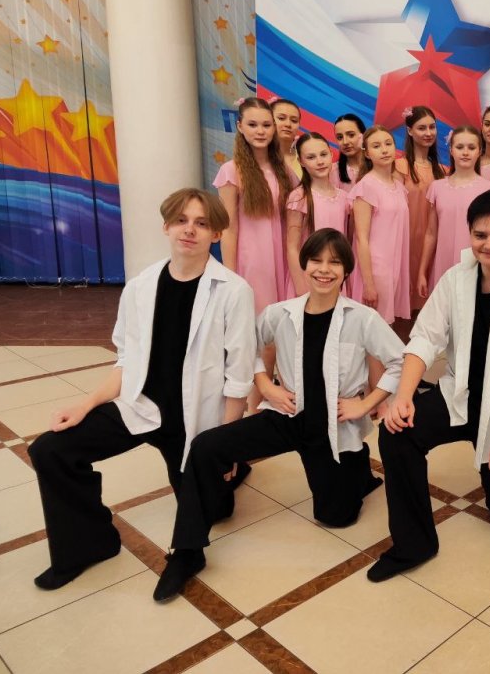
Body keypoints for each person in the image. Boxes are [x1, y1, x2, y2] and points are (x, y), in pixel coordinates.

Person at [153, 228, 403, 600]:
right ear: (303, 264)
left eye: (334, 262)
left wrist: (366, 404)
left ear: (346, 271)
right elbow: (246, 346)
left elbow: (401, 361)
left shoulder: (362, 318)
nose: (324, 269)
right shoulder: (280, 313)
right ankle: (187, 552)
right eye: (316, 260)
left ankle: (357, 470)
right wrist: (266, 386)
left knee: (336, 518)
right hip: (287, 415)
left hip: (331, 426)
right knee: (205, 446)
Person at [27, 188, 256, 590]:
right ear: (166, 226)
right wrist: (86, 404)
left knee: (216, 512)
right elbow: (126, 360)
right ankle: (90, 545)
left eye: (202, 223)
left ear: (216, 234)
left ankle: (191, 548)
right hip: (142, 407)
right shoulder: (140, 286)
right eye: (181, 220)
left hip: (197, 421)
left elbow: (238, 378)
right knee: (49, 450)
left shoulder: (233, 291)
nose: (190, 230)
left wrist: (225, 446)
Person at [367, 190, 490, 582]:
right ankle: (414, 544)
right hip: (460, 396)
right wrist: (403, 397)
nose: (489, 244)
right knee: (397, 433)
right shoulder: (457, 278)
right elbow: (425, 337)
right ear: (470, 234)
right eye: (480, 235)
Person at [215, 97, 298, 315]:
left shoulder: (284, 172)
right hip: (252, 259)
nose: (260, 131)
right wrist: (229, 275)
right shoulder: (231, 171)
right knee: (257, 317)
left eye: (266, 125)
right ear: (240, 126)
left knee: (283, 318)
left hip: (283, 257)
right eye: (252, 125)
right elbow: (228, 228)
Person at [416, 125, 490, 298]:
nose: (465, 152)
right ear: (451, 150)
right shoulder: (437, 187)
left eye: (471, 147)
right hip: (443, 264)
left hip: (476, 265)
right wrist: (422, 271)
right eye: (460, 147)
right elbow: (431, 233)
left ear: (479, 151)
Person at [348, 125, 411, 325]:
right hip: (376, 268)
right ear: (367, 153)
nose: (384, 150)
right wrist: (368, 283)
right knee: (373, 327)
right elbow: (361, 238)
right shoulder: (366, 187)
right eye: (376, 146)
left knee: (386, 327)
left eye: (388, 144)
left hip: (395, 264)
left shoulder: (399, 186)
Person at [285, 133, 351, 294]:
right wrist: (301, 288)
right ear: (301, 161)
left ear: (331, 154)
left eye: (323, 154)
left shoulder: (344, 197)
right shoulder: (299, 197)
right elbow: (292, 247)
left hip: (335, 277)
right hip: (308, 279)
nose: (320, 161)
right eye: (311, 157)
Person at [396, 106, 445, 313]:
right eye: (421, 128)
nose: (428, 133)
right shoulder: (399, 167)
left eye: (432, 127)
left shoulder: (443, 171)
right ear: (409, 131)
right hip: (406, 243)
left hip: (433, 246)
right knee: (402, 308)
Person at [332, 113, 367, 192]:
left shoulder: (378, 166)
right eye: (340, 137)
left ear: (363, 135)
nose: (345, 142)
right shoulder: (332, 171)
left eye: (351, 135)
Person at [271, 98, 303, 180]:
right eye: (281, 118)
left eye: (294, 120)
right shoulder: (259, 157)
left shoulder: (306, 159)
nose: (288, 124)